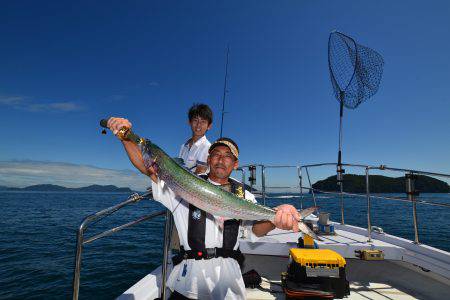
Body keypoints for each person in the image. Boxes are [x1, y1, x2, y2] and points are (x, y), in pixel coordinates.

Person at [107, 119, 301, 300]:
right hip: (188, 280)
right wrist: (125, 136)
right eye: (216, 154)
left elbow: (256, 230)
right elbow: (145, 165)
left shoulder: (245, 196)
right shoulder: (181, 184)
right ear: (208, 159)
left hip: (230, 283)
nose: (220, 159)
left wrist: (276, 220)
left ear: (235, 164)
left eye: (228, 156)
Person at [178, 103, 213, 174]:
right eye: (195, 120)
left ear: (209, 126)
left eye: (203, 122)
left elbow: (200, 173)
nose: (198, 125)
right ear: (189, 122)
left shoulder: (208, 147)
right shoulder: (183, 146)